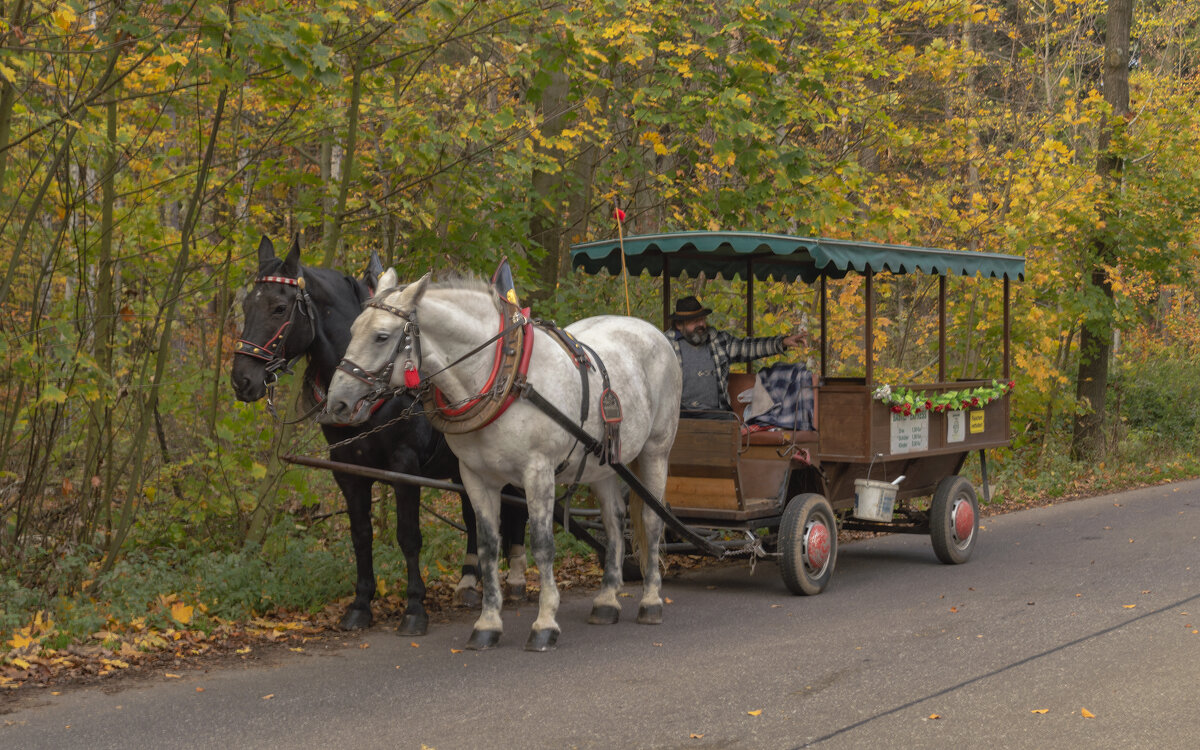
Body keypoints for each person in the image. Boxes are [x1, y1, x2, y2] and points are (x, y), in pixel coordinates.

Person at [666, 295, 807, 418]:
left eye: (702, 319)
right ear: (679, 324)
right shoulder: (665, 347)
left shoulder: (718, 341)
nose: (701, 325)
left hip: (716, 414)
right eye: (694, 321)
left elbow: (748, 347)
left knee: (729, 429)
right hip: (679, 416)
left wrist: (781, 342)